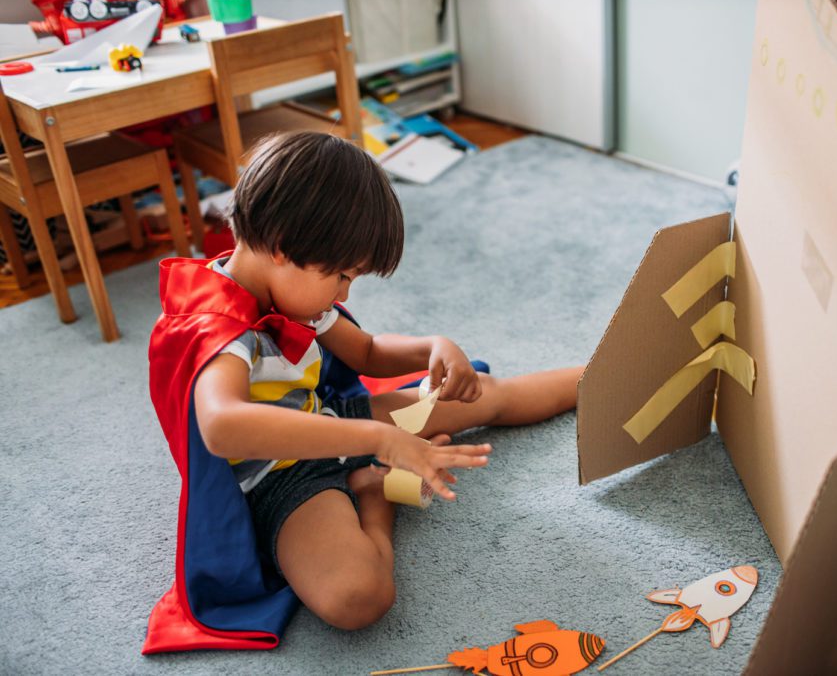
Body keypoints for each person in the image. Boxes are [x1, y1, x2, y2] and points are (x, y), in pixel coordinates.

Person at [144, 131, 582, 652]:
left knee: (480, 395)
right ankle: (374, 494)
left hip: (334, 420)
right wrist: (378, 438)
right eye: (343, 276)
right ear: (284, 246)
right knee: (359, 598)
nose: (345, 293)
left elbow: (368, 352)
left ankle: (599, 375)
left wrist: (433, 346)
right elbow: (222, 426)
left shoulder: (297, 287)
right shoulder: (222, 332)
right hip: (279, 479)